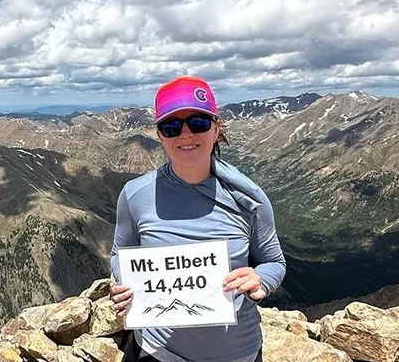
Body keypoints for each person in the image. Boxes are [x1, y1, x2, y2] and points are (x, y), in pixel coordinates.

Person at [109, 76, 287, 362]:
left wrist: (260, 279)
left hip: (237, 353)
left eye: (199, 123)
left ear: (216, 129)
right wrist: (127, 282)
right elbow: (120, 254)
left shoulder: (249, 199)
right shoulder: (135, 195)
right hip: (157, 352)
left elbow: (274, 262)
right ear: (159, 136)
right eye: (171, 126)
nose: (186, 134)